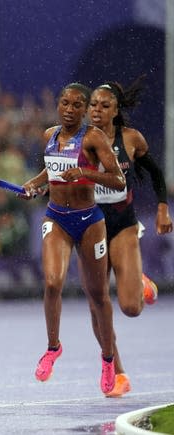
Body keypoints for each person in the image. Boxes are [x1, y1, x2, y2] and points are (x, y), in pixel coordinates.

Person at [21, 83, 126, 395]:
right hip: (57, 218)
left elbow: (118, 178)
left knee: (98, 296)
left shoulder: (93, 137)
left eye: (77, 105)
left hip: (89, 222)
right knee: (52, 283)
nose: (69, 109)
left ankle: (108, 360)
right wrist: (35, 185)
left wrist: (85, 174)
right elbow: (51, 171)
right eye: (64, 103)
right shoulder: (49, 135)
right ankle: (53, 348)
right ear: (58, 105)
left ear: (84, 110)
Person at [87, 78, 173, 397]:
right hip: (89, 227)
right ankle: (116, 371)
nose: (97, 111)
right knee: (98, 302)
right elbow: (56, 176)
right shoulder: (75, 141)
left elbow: (156, 173)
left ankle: (139, 283)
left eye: (104, 106)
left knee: (131, 308)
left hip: (122, 224)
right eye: (93, 105)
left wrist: (163, 209)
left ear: (116, 111)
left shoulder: (131, 139)